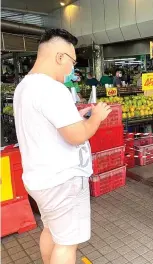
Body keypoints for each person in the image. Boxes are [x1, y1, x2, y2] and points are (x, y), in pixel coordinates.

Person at [13, 28, 112, 264]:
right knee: (67, 244)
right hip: (63, 181)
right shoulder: (52, 89)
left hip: (40, 179)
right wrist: (97, 116)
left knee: (51, 231)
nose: (72, 70)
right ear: (59, 57)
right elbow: (77, 135)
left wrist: (78, 116)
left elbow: (47, 124)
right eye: (72, 61)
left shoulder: (24, 87)